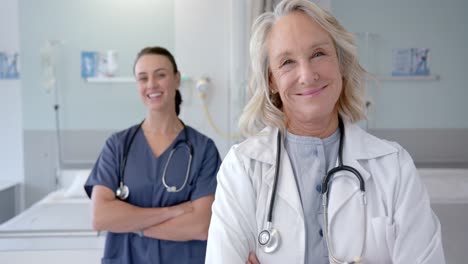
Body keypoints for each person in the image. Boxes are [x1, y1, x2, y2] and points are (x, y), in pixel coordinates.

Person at [205, 0, 445, 263]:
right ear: (271, 80)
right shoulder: (243, 168)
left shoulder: (393, 166)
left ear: (340, 63)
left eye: (318, 54)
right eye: (287, 62)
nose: (307, 75)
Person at [84, 46, 221, 263]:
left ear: (176, 79)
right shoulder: (118, 146)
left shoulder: (203, 149)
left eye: (160, 75)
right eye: (143, 78)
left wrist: (133, 225)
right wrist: (170, 212)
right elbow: (100, 217)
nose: (151, 85)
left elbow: (201, 225)